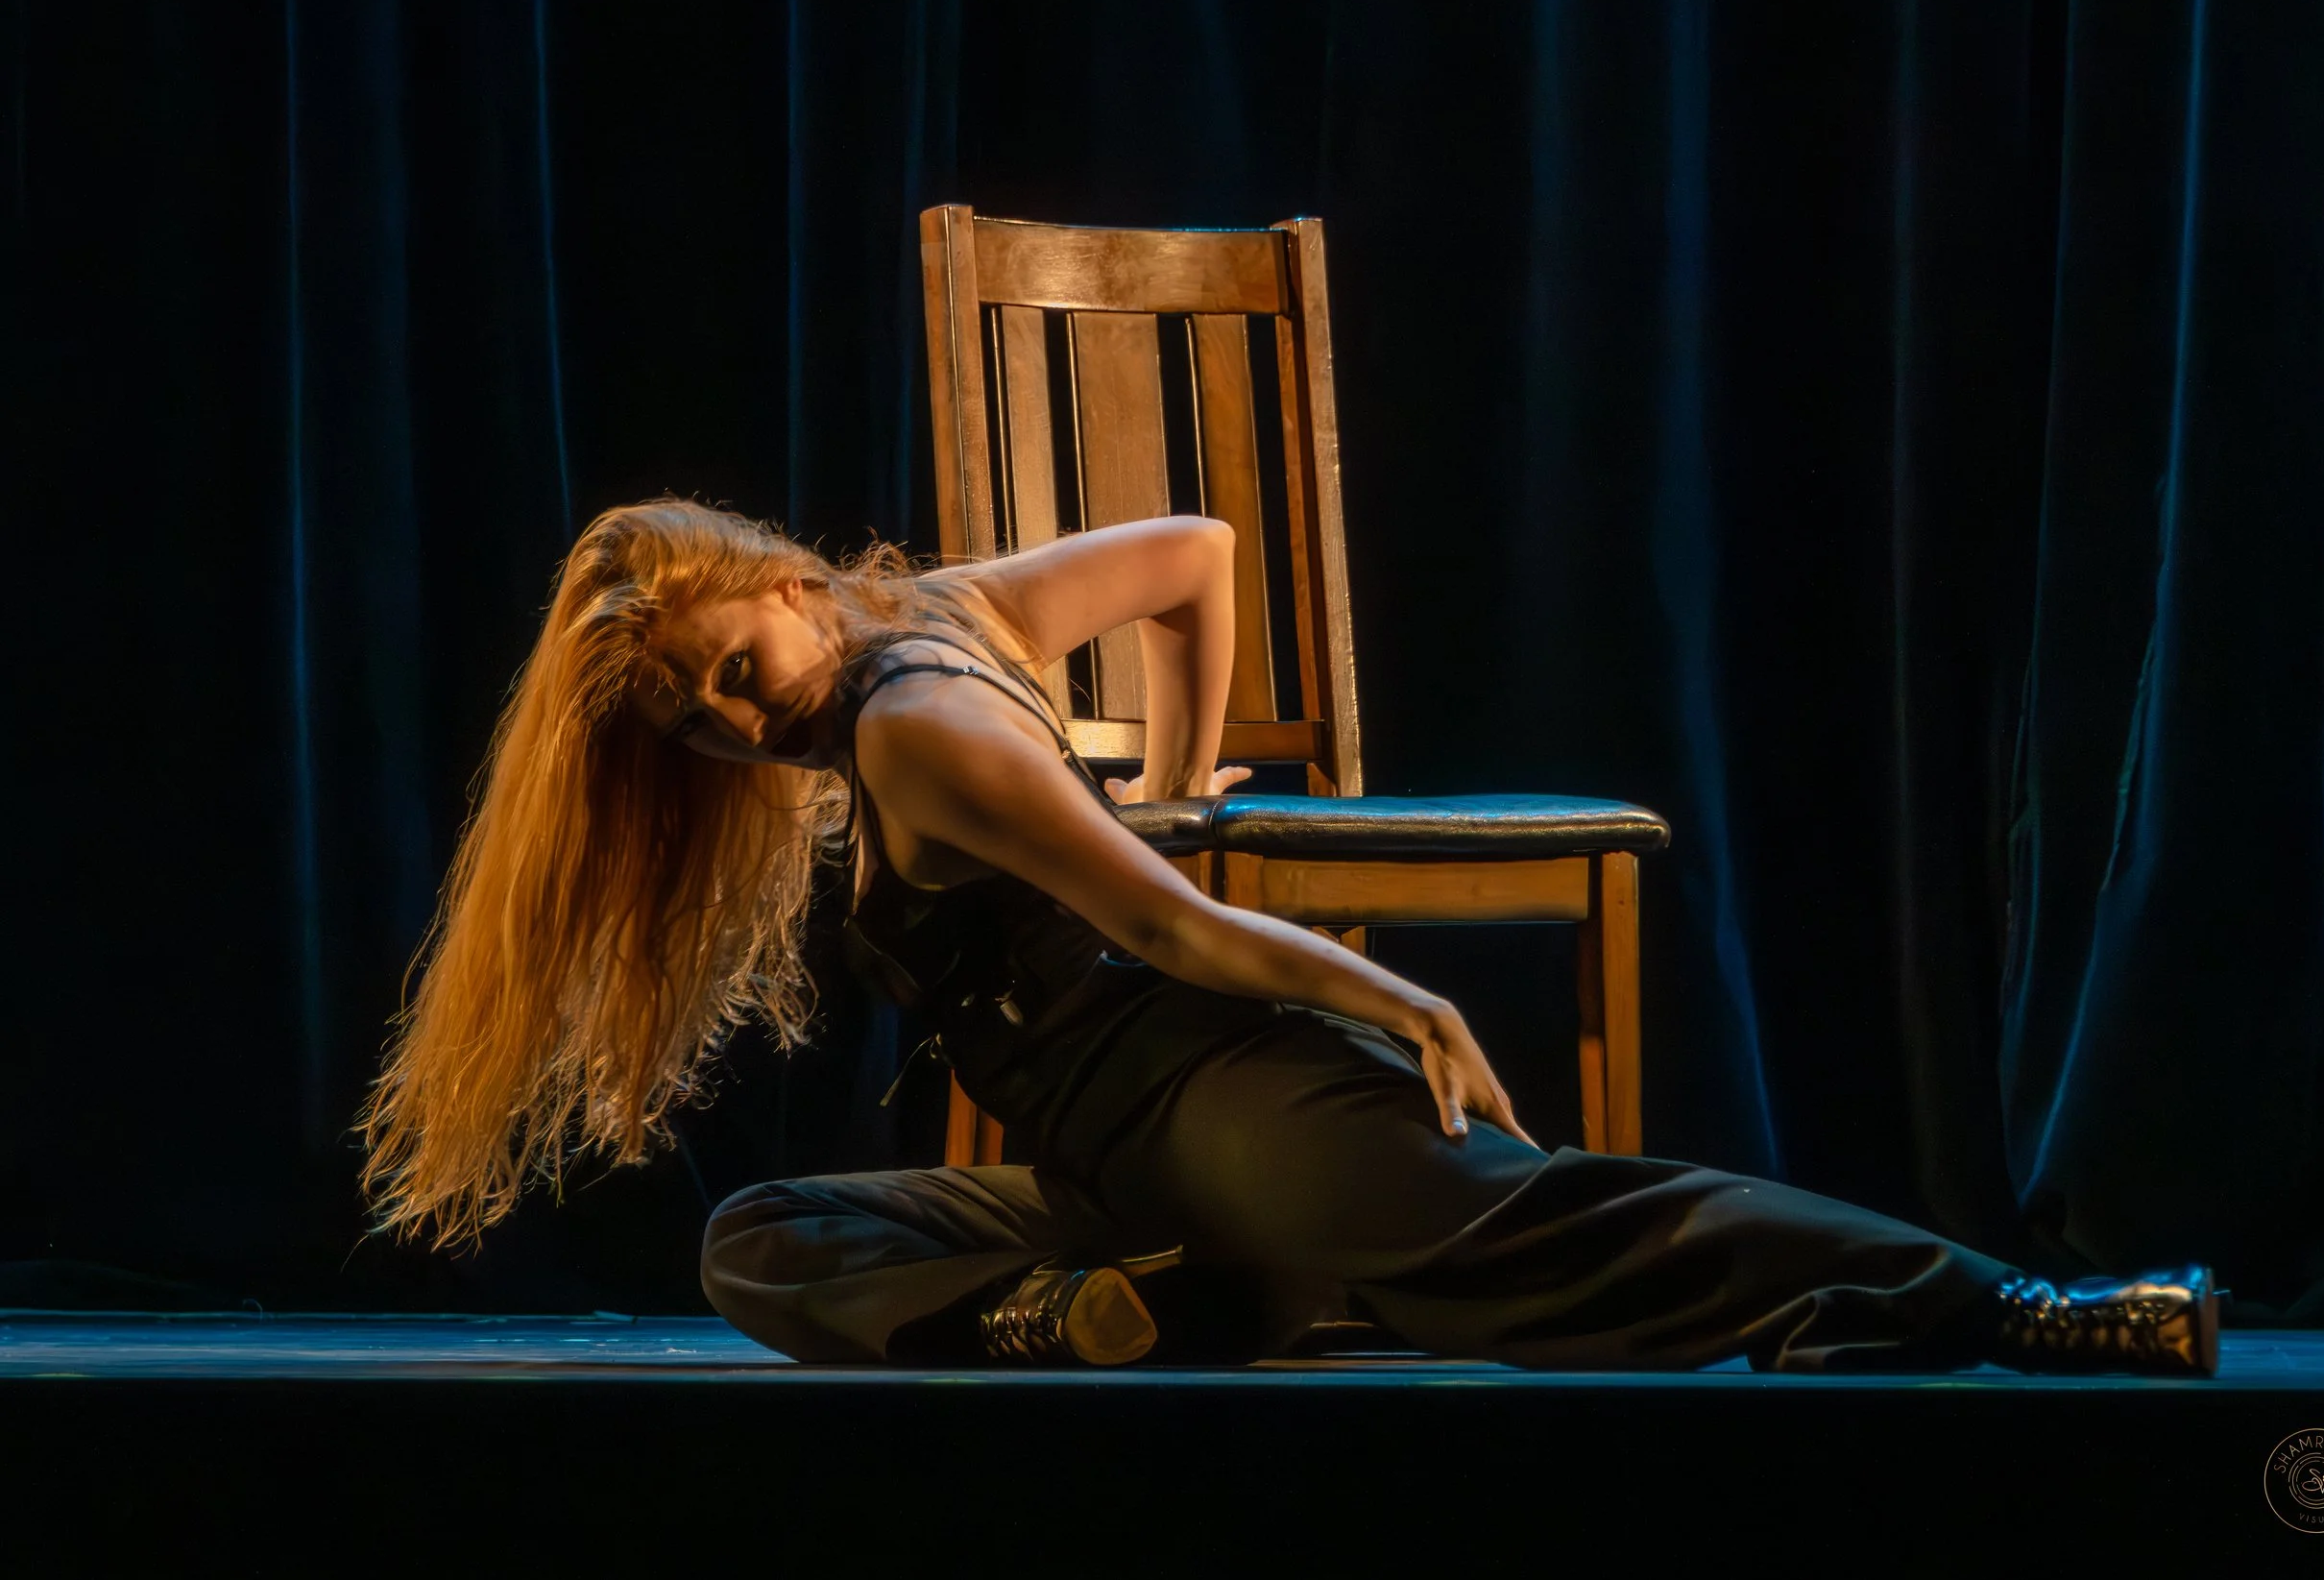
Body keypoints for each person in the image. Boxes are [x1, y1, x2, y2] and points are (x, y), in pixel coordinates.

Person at [363, 498, 2216, 1375]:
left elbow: (1165, 921)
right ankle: (1156, 1303)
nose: (732, 721)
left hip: (1214, 1105)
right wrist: (1174, 775)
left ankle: (2029, 1310)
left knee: (1549, 1233)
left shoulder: (916, 723)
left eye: (731, 671)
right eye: (694, 723)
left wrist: (1385, 986)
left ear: (784, 587)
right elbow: (1194, 554)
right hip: (1116, 1171)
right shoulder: (943, 619)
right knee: (762, 1237)